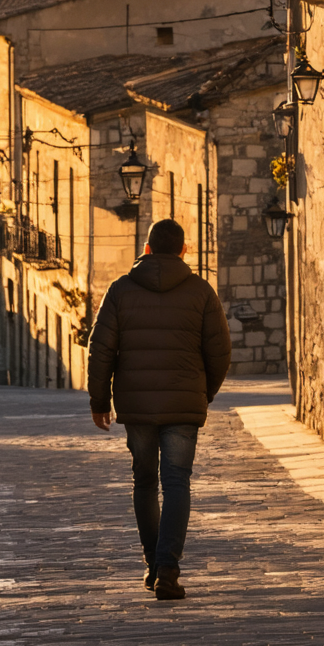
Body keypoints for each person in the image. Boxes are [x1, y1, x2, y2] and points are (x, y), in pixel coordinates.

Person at [87, 218, 231, 601]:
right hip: (184, 405)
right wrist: (204, 393)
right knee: (178, 482)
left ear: (147, 249)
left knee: (146, 483)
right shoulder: (202, 292)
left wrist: (100, 401)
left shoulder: (120, 291)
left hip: (137, 407)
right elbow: (220, 352)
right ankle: (168, 567)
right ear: (184, 251)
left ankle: (153, 564)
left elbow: (100, 350)